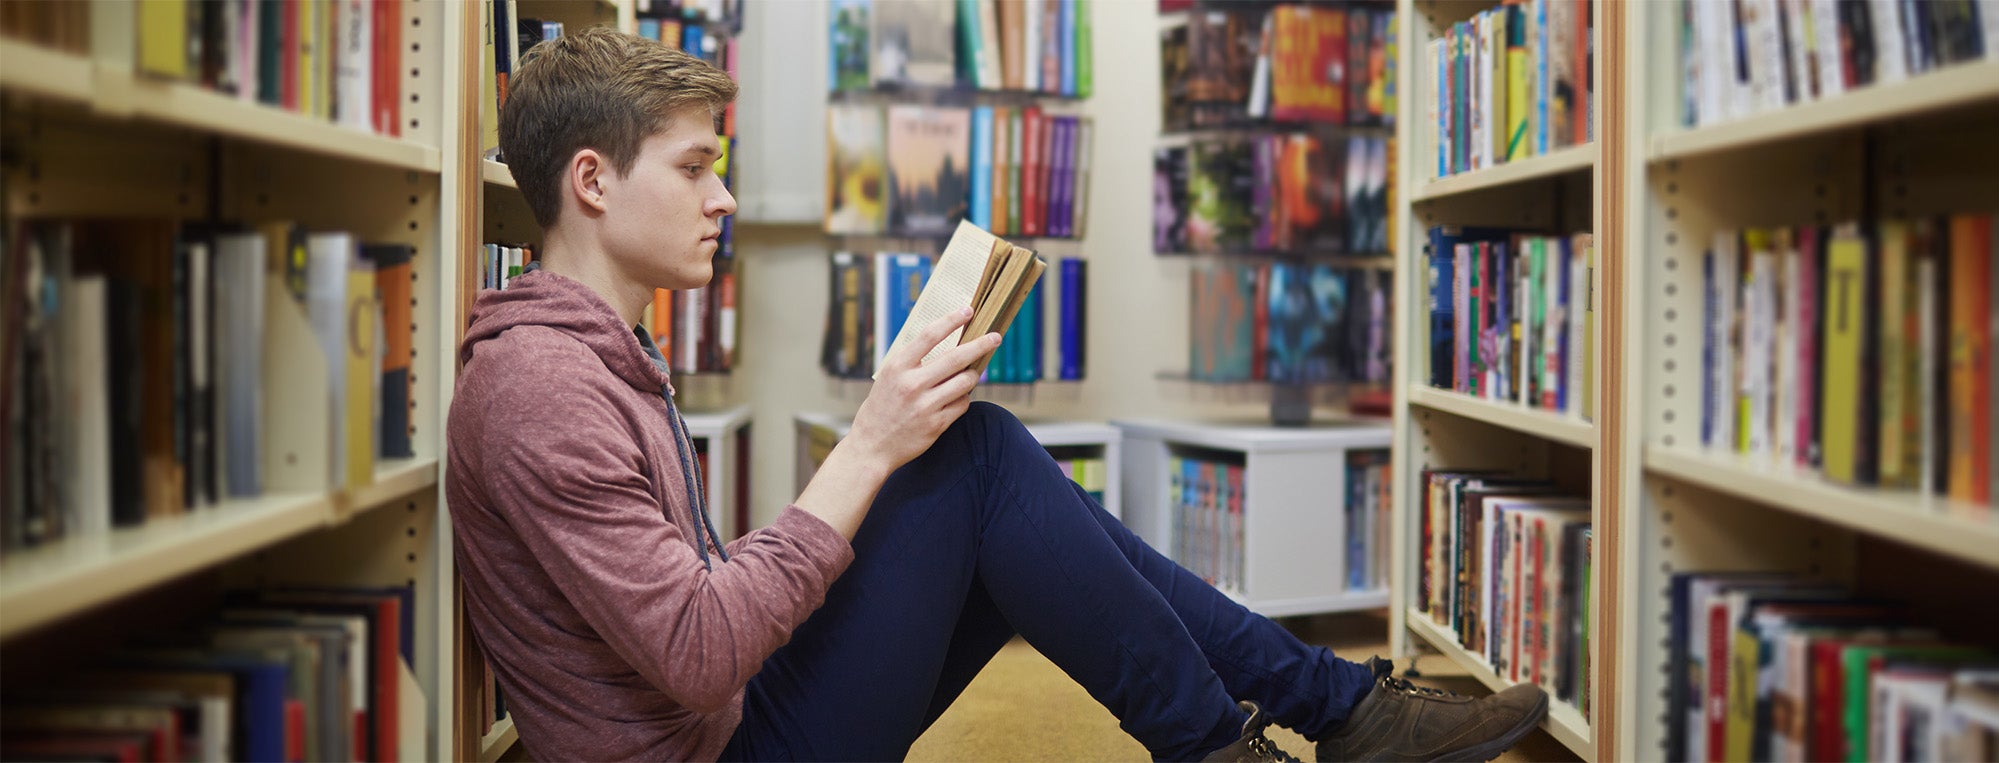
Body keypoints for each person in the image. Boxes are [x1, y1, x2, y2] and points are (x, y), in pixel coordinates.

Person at [447, 27, 1549, 763]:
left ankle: (1319, 708)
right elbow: (694, 648)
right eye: (693, 168)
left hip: (719, 716)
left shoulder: (599, 350)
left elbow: (676, 611)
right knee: (971, 459)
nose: (722, 195)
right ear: (590, 181)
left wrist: (883, 450)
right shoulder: (541, 387)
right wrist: (870, 443)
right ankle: (1308, 714)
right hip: (719, 745)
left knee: (981, 459)